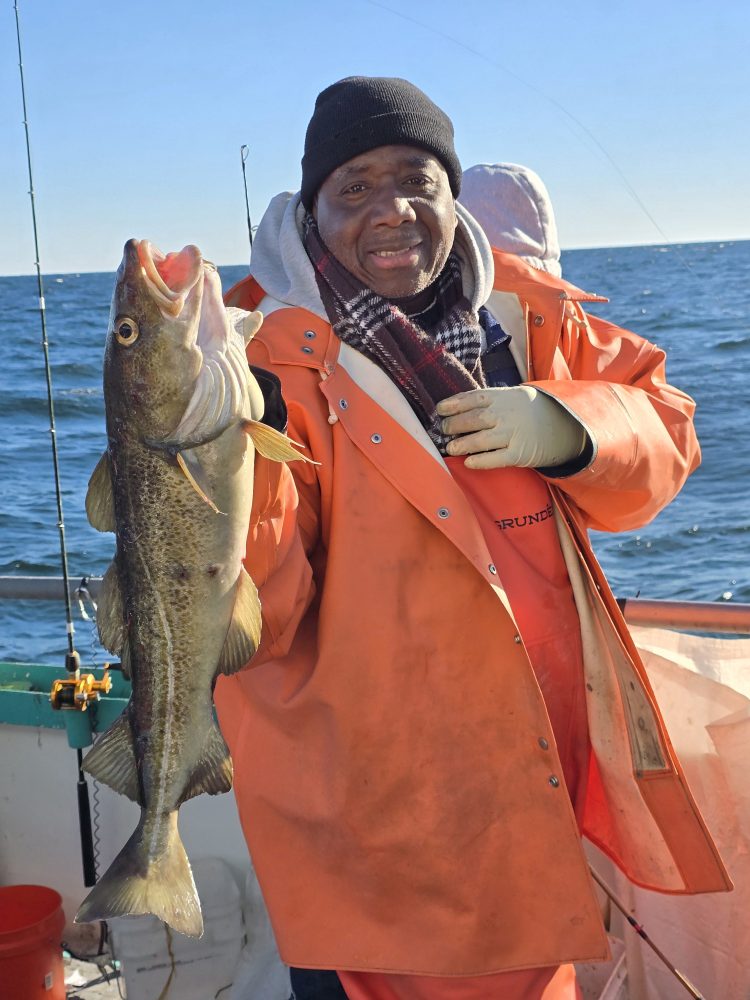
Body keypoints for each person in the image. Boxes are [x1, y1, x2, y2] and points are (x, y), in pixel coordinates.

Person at [216, 77, 730, 1000]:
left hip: (532, 778)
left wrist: (573, 426)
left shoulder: (528, 315)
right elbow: (261, 615)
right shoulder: (261, 356)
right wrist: (221, 465)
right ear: (310, 210)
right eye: (355, 188)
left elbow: (668, 424)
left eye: (417, 178)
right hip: (361, 802)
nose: (392, 210)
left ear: (454, 193)